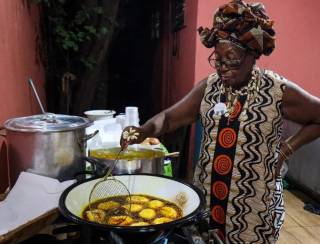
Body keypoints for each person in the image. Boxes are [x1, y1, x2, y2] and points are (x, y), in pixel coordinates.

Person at [120, 0, 320, 243]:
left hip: (253, 209)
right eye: (218, 59)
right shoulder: (209, 87)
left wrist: (285, 151)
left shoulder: (276, 90)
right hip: (209, 199)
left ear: (251, 54)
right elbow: (171, 117)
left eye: (231, 59)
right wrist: (143, 130)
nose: (223, 67)